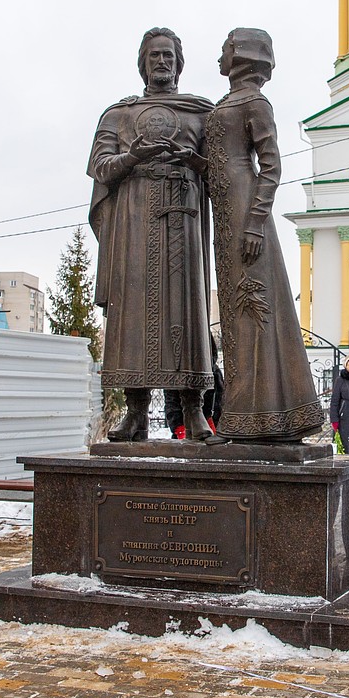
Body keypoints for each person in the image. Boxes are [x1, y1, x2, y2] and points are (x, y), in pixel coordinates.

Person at [88, 27, 214, 442]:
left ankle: (194, 413)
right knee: (134, 315)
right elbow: (101, 168)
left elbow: (222, 171)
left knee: (187, 310)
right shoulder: (118, 115)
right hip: (135, 224)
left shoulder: (200, 113)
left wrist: (196, 162)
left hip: (184, 217)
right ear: (142, 62)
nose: (162, 62)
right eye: (154, 55)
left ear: (179, 63)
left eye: (168, 56)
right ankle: (135, 413)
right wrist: (133, 155)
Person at [204, 28, 323, 442]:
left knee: (252, 311)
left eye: (224, 50)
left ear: (240, 55)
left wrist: (254, 221)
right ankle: (247, 416)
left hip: (243, 211)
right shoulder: (230, 101)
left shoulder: (254, 101)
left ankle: (265, 417)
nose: (218, 57)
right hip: (225, 212)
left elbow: (271, 165)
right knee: (240, 317)